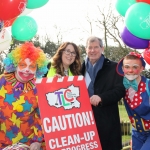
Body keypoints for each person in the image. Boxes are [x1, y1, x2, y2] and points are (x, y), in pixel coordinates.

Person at [0, 42, 48, 149]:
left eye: (32, 66)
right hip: (2, 142)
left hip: (27, 143)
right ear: (15, 64)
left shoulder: (38, 87)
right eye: (22, 65)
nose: (27, 70)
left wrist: (37, 140)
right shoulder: (2, 81)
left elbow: (41, 117)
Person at [81, 36, 125, 150]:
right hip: (83, 121)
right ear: (86, 49)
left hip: (107, 121)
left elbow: (120, 90)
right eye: (90, 47)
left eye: (96, 47)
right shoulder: (78, 68)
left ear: (102, 48)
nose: (92, 50)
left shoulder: (114, 67)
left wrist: (101, 97)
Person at [116, 52, 150, 150]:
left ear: (141, 68)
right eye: (127, 67)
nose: (130, 70)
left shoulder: (148, 85)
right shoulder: (122, 86)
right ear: (123, 69)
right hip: (136, 133)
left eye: (135, 67)